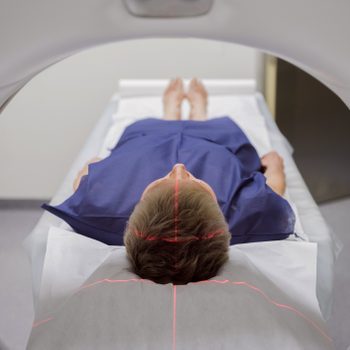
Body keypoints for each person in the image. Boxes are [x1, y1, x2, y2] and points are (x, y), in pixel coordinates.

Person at [42, 78, 295, 285]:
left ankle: (170, 113)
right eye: (194, 181)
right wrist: (274, 164)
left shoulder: (99, 208)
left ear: (140, 204)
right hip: (216, 146)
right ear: (216, 213)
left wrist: (96, 164)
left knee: (140, 135)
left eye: (161, 182)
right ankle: (199, 114)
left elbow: (83, 176)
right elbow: (274, 187)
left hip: (146, 142)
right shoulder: (245, 215)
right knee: (230, 144)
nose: (178, 168)